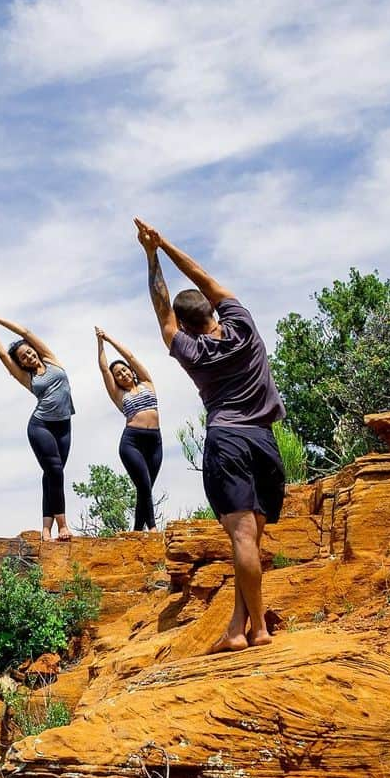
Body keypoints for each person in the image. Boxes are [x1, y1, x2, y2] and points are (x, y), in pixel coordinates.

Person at [133, 219, 285, 652]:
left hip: (229, 442)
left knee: (241, 540)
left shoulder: (192, 351)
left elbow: (162, 313)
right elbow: (204, 277)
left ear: (185, 323)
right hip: (265, 442)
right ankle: (237, 628)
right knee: (251, 541)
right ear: (213, 312)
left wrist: (150, 256)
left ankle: (257, 630)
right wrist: (167, 245)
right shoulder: (244, 327)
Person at [0, 313, 74, 541]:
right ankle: (63, 525)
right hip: (41, 426)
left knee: (51, 476)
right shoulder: (26, 377)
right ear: (21, 363)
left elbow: (25, 333)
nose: (29, 356)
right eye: (23, 357)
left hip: (64, 425)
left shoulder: (51, 359)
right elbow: (2, 354)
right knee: (55, 471)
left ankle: (45, 528)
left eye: (29, 351)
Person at [95, 326, 161, 532]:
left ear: (131, 372)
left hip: (155, 442)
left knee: (146, 488)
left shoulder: (147, 383)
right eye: (118, 375)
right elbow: (105, 370)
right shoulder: (119, 396)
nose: (122, 374)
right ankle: (152, 529)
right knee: (143, 485)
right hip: (132, 442)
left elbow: (130, 356)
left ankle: (136, 531)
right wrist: (100, 343)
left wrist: (110, 338)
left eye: (124, 370)